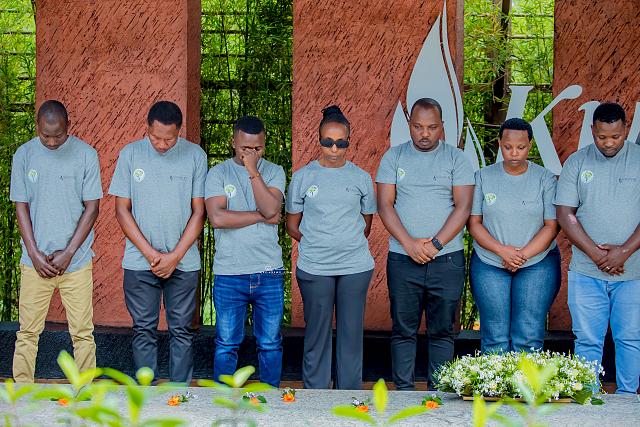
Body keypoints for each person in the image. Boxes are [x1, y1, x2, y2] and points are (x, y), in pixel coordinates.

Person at [376, 97, 474, 390]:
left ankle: (439, 394)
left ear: (442, 126)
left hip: (447, 259)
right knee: (403, 330)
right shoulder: (393, 157)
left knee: (442, 331)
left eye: (431, 127)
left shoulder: (456, 159)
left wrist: (436, 244)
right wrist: (409, 244)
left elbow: (464, 207)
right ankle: (403, 395)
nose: (424, 133)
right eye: (418, 127)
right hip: (403, 258)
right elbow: (384, 205)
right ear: (409, 125)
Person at [109, 101, 207, 384]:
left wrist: (175, 256)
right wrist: (151, 253)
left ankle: (180, 393)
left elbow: (199, 212)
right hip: (140, 261)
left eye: (169, 139)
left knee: (182, 331)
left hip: (184, 262)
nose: (162, 145)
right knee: (143, 328)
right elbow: (121, 210)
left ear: (180, 131)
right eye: (156, 138)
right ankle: (146, 393)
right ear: (147, 128)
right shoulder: (130, 154)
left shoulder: (195, 156)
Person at [286, 105, 376, 390]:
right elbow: (292, 225)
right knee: (317, 334)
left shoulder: (361, 178)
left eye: (341, 143)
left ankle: (349, 398)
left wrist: (343, 241)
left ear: (349, 141)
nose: (334, 149)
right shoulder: (303, 177)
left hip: (355, 267)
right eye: (328, 142)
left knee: (351, 335)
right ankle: (316, 398)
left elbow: (366, 224)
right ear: (319, 140)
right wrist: (318, 242)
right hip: (315, 267)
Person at [11, 100, 102, 382]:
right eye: (45, 135)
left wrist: (69, 253)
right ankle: (22, 393)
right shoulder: (24, 154)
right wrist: (34, 253)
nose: (51, 142)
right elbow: (21, 206)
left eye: (58, 136)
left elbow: (92, 207)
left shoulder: (86, 155)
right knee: (27, 332)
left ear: (68, 127)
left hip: (76, 262)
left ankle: (85, 392)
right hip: (34, 262)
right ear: (37, 127)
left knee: (83, 332)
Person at [556, 102, 640, 394]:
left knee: (630, 338)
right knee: (588, 340)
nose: (609, 143)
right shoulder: (577, 162)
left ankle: (628, 400)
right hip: (586, 271)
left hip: (633, 272)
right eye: (602, 136)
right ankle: (587, 399)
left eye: (615, 136)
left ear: (626, 129)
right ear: (592, 130)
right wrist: (596, 254)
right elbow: (565, 213)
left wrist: (623, 252)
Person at [205, 116, 285, 388]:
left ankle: (272, 400)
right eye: (245, 148)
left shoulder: (274, 171)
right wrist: (261, 216)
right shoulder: (218, 173)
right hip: (230, 272)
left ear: (265, 145)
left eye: (257, 149)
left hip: (268, 272)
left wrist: (253, 171)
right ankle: (224, 401)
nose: (251, 154)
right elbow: (217, 218)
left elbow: (272, 208)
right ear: (233, 142)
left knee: (270, 343)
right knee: (227, 343)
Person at [468, 118, 560, 353]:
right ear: (500, 143)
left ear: (530, 145)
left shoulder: (545, 179)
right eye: (508, 147)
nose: (514, 153)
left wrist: (521, 256)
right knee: (494, 337)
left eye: (521, 147)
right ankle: (495, 379)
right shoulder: (482, 177)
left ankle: (526, 379)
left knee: (528, 336)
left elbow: (552, 226)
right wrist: (503, 251)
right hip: (490, 262)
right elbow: (474, 223)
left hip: (537, 263)